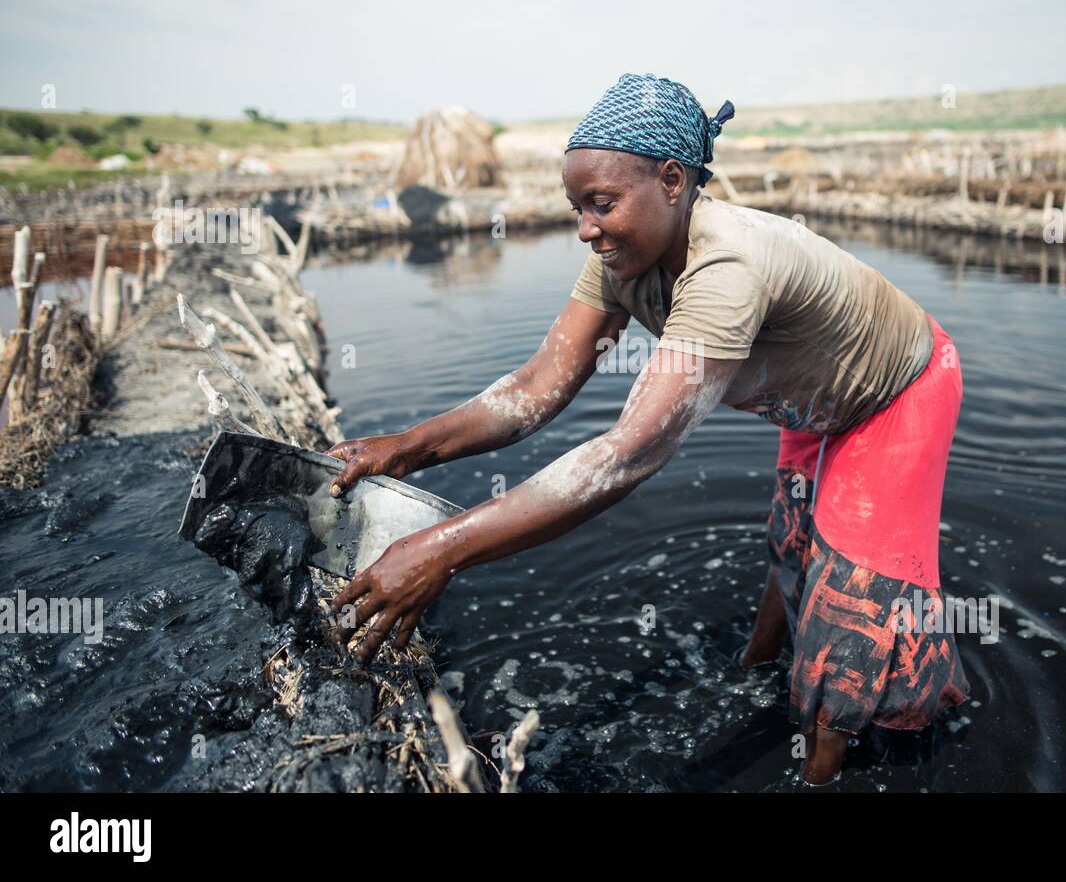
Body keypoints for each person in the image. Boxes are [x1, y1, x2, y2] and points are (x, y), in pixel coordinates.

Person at [326, 72, 970, 785]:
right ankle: (757, 666)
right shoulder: (619, 260)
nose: (585, 227)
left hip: (895, 392)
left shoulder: (727, 265)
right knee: (793, 540)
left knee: (849, 613)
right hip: (814, 398)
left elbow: (628, 453)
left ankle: (822, 769)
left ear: (672, 180)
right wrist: (403, 448)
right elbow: (538, 386)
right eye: (577, 207)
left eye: (601, 204)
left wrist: (441, 550)